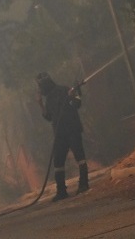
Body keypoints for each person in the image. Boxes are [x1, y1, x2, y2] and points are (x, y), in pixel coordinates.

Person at [35, 72, 89, 201]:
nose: (39, 90)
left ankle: (84, 184)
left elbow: (77, 104)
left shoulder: (65, 90)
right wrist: (40, 104)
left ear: (44, 85)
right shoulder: (49, 99)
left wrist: (72, 96)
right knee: (58, 162)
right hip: (60, 134)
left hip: (72, 131)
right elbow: (49, 117)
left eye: (40, 87)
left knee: (80, 158)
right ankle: (61, 191)